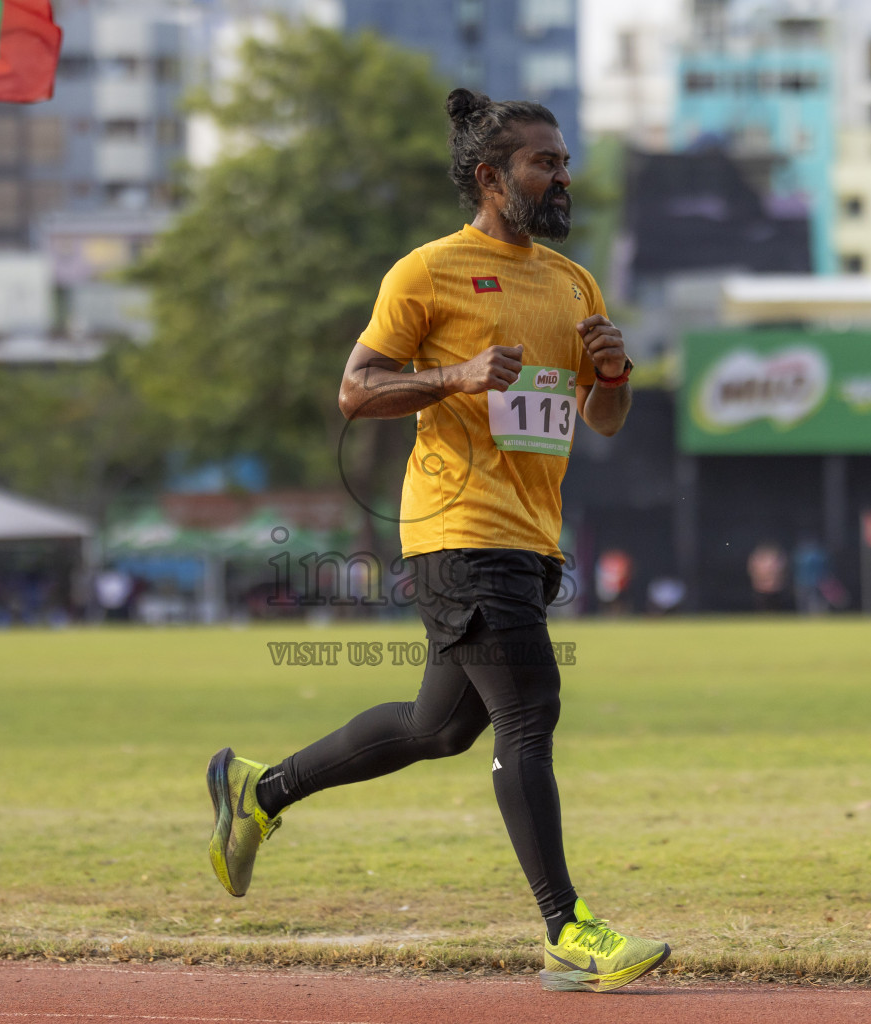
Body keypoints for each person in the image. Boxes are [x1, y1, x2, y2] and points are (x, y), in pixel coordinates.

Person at [205, 88, 670, 993]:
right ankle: (566, 933)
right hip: (458, 529)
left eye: (565, 159)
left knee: (439, 728)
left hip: (533, 540)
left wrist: (614, 372)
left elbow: (602, 420)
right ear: (492, 179)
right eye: (546, 161)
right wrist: (454, 373)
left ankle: (258, 792)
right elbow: (355, 390)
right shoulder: (426, 272)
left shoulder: (574, 283)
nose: (563, 174)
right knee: (530, 711)